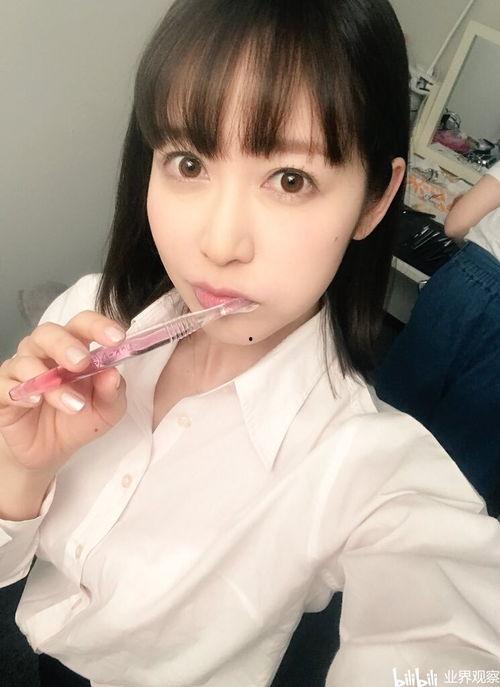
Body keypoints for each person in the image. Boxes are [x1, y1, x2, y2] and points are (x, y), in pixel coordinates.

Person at [1, 2, 499, 686]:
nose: (218, 243)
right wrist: (19, 473)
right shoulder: (87, 310)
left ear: (375, 201)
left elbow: (454, 643)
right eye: (187, 162)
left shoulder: (366, 468)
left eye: (290, 180)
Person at [375, 161, 500, 519]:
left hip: (468, 281)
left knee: (392, 409)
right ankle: (410, 533)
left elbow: (457, 223)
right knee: (461, 462)